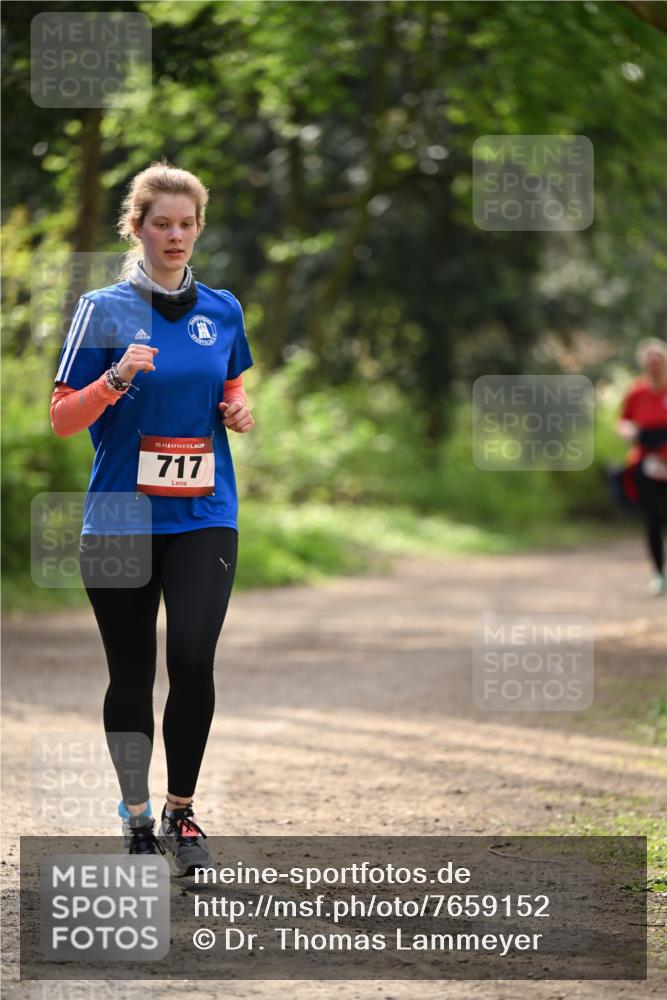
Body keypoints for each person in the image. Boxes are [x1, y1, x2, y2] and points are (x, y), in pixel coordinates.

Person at [50, 162, 255, 873]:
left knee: (193, 659)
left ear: (199, 228)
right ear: (135, 228)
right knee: (131, 675)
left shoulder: (222, 309)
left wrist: (237, 409)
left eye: (186, 224)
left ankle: (181, 812)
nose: (175, 235)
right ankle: (135, 815)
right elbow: (61, 419)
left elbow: (228, 385)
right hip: (118, 517)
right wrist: (112, 380)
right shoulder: (103, 310)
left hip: (204, 514)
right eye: (160, 223)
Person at [616, 338, 667, 596]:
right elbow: (622, 422)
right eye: (650, 361)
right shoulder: (636, 392)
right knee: (652, 519)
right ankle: (658, 572)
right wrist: (629, 432)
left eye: (658, 360)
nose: (654, 365)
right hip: (646, 462)